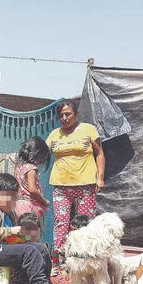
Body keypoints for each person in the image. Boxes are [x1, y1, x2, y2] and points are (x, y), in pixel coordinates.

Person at [46, 98, 105, 252]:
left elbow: (99, 154)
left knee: (85, 222)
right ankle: (60, 257)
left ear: (76, 113)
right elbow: (43, 154)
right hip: (60, 185)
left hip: (85, 185)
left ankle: (84, 254)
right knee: (61, 222)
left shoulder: (88, 129)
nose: (64, 118)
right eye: (61, 115)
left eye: (68, 114)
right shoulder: (54, 134)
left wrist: (100, 177)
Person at [14, 137, 51, 220]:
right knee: (31, 231)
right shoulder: (31, 169)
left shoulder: (19, 167)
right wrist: (44, 201)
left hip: (19, 205)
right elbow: (32, 190)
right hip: (30, 206)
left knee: (22, 231)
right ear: (38, 154)